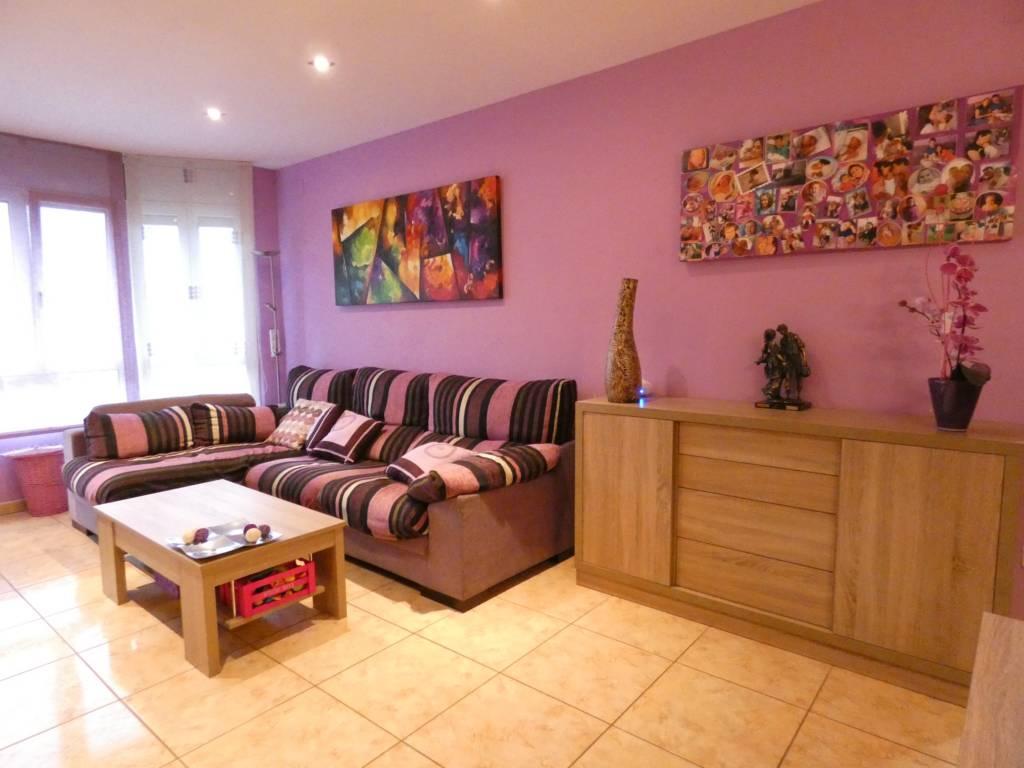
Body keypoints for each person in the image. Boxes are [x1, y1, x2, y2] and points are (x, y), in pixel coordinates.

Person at [777, 324, 810, 402]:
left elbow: (802, 348)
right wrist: (783, 361)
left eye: (781, 331)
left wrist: (804, 360)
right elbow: (782, 352)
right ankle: (787, 396)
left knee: (799, 377)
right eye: (779, 331)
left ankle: (798, 396)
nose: (780, 333)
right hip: (788, 360)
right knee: (787, 377)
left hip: (797, 359)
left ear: (784, 329)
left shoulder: (794, 336)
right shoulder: (782, 340)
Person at [755, 329, 784, 401]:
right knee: (777, 379)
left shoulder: (766, 345)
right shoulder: (773, 345)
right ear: (773, 336)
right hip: (775, 365)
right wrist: (784, 361)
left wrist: (759, 361)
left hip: (770, 365)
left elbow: (764, 356)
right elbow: (777, 355)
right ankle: (769, 392)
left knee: (773, 379)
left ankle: (775, 394)